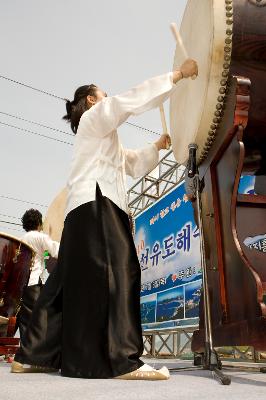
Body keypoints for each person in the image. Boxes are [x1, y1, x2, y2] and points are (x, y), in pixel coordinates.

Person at [11, 59, 198, 379]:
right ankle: (122, 360)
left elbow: (130, 163)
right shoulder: (95, 117)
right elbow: (128, 101)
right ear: (92, 101)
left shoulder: (98, 139)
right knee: (121, 272)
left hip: (80, 210)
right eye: (104, 94)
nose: (108, 98)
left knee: (62, 284)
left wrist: (155, 146)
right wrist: (176, 76)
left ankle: (32, 355)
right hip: (98, 204)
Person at [16, 209, 60, 341]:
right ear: (39, 222)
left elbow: (43, 255)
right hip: (34, 284)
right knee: (39, 321)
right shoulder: (41, 237)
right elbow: (56, 251)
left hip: (22, 285)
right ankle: (35, 356)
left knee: (25, 321)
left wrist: (46, 256)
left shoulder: (22, 239)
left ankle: (23, 356)